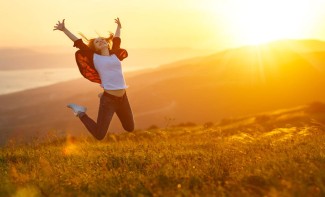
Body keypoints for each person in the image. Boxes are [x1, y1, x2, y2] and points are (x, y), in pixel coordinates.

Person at [53, 18, 134, 140]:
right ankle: (80, 112)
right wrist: (64, 29)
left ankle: (104, 95)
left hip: (123, 98)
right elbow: (78, 42)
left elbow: (116, 39)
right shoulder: (94, 57)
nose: (101, 41)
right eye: (97, 42)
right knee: (99, 135)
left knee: (129, 128)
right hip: (109, 101)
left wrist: (119, 27)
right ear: (95, 48)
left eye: (102, 40)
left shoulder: (115, 54)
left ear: (107, 43)